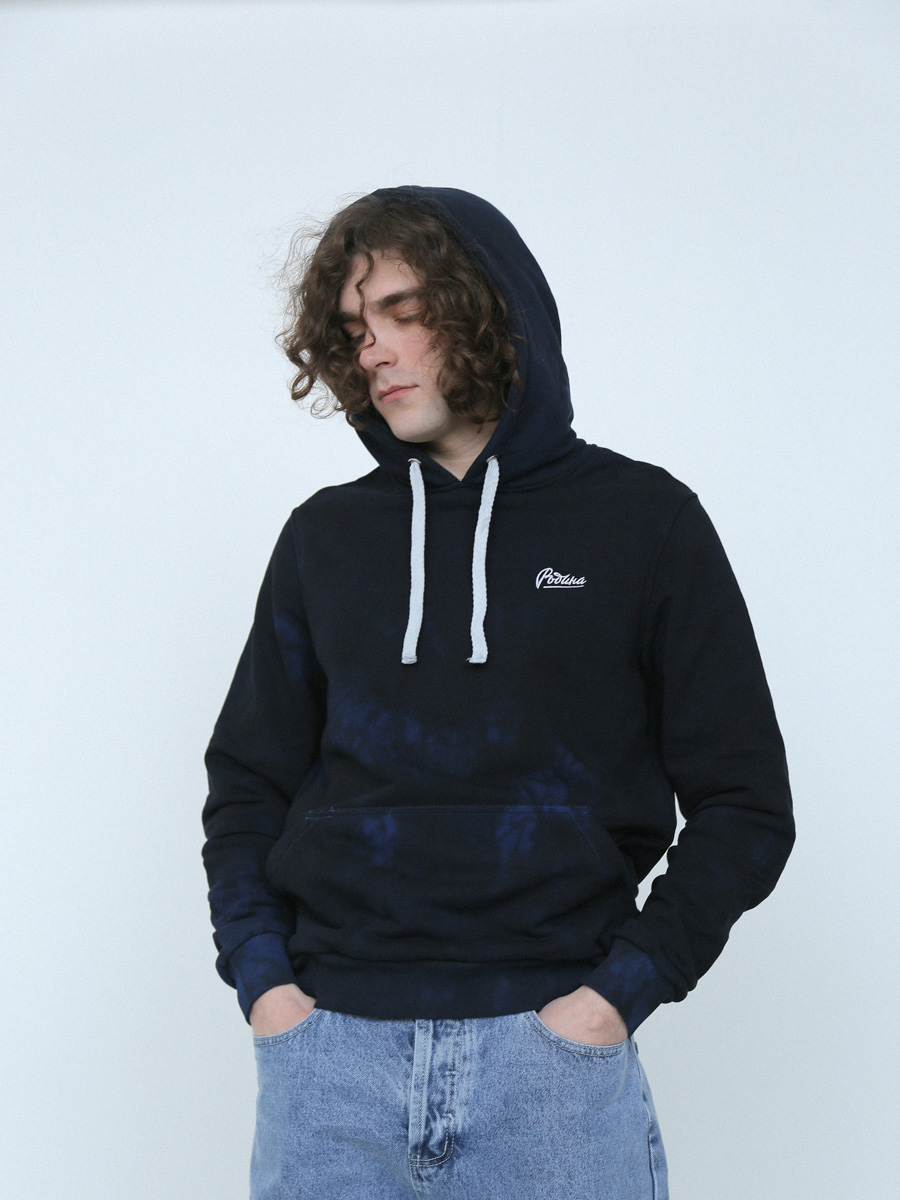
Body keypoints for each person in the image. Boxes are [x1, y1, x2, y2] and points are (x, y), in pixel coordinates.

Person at [201, 186, 795, 1199]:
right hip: (331, 1064)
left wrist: (617, 997)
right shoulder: (324, 539)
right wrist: (267, 988)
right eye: (355, 328)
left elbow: (745, 804)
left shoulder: (644, 522)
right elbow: (247, 787)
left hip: (551, 1066)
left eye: (401, 312)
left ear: (489, 308)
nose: (374, 351)